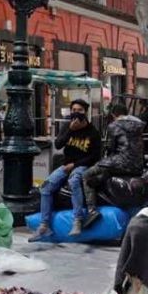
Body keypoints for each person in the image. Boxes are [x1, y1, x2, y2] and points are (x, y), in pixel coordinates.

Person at [30, 99, 102, 241]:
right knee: (45, 187)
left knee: (74, 180)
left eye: (80, 110)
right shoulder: (67, 126)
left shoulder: (93, 132)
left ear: (85, 112)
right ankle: (44, 225)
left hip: (82, 165)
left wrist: (75, 165)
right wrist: (70, 130)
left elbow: (94, 157)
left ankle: (77, 220)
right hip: (66, 165)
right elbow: (57, 145)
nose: (76, 113)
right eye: (73, 110)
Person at [83, 104, 145, 227]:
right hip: (137, 164)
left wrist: (103, 161)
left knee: (87, 174)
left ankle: (92, 210)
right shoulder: (139, 126)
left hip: (120, 162)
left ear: (113, 115)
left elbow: (111, 149)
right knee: (102, 175)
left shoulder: (113, 126)